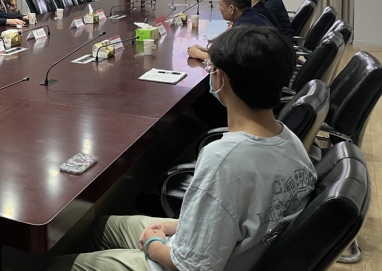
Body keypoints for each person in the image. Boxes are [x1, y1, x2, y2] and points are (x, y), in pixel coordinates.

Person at [49, 25, 316, 271]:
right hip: (224, 248)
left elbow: (189, 267)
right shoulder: (291, 140)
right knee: (99, 227)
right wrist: (175, 226)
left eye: (210, 67)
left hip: (180, 264)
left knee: (61, 266)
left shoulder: (225, 159)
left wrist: (153, 243)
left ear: (220, 80)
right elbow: (235, 219)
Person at [188, 0, 271, 62]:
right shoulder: (258, 17)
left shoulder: (242, 28)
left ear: (231, 9)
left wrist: (198, 54)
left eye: (221, 5)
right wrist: (208, 51)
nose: (219, 8)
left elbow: (229, 61)